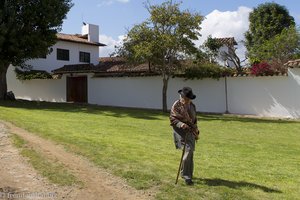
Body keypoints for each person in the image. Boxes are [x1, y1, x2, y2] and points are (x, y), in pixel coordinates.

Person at [170, 86, 199, 185]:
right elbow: (173, 119)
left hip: (190, 131)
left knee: (189, 152)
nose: (187, 100)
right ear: (182, 97)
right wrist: (182, 124)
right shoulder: (176, 105)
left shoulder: (192, 106)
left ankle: (185, 173)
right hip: (180, 131)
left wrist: (196, 128)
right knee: (188, 151)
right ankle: (187, 177)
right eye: (186, 98)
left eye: (189, 99)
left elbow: (194, 120)